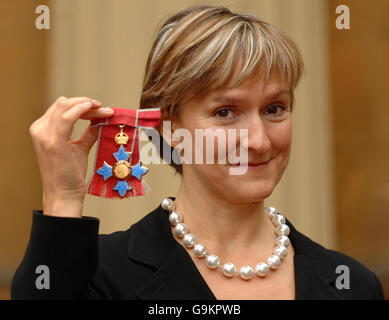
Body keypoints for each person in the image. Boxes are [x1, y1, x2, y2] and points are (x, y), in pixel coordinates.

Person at [12, 5, 384, 300]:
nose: (259, 141)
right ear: (169, 129)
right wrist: (62, 198)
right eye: (226, 112)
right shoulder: (101, 276)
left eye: (274, 109)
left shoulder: (350, 284)